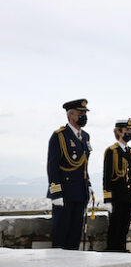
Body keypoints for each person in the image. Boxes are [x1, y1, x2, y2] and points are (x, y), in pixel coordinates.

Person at [46, 98, 94, 250]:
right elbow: (52, 166)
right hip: (64, 193)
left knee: (75, 236)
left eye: (85, 113)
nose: (83, 116)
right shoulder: (59, 136)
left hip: (80, 192)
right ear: (70, 115)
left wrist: (89, 185)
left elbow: (84, 165)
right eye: (80, 113)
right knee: (61, 235)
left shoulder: (85, 136)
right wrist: (55, 193)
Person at [103, 118, 131, 252]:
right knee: (115, 228)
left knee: (124, 228)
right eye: (127, 130)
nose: (129, 133)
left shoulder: (130, 151)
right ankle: (114, 253)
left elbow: (129, 175)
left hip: (129, 197)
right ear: (119, 132)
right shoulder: (112, 151)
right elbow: (107, 176)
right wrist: (107, 199)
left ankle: (122, 251)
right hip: (117, 197)